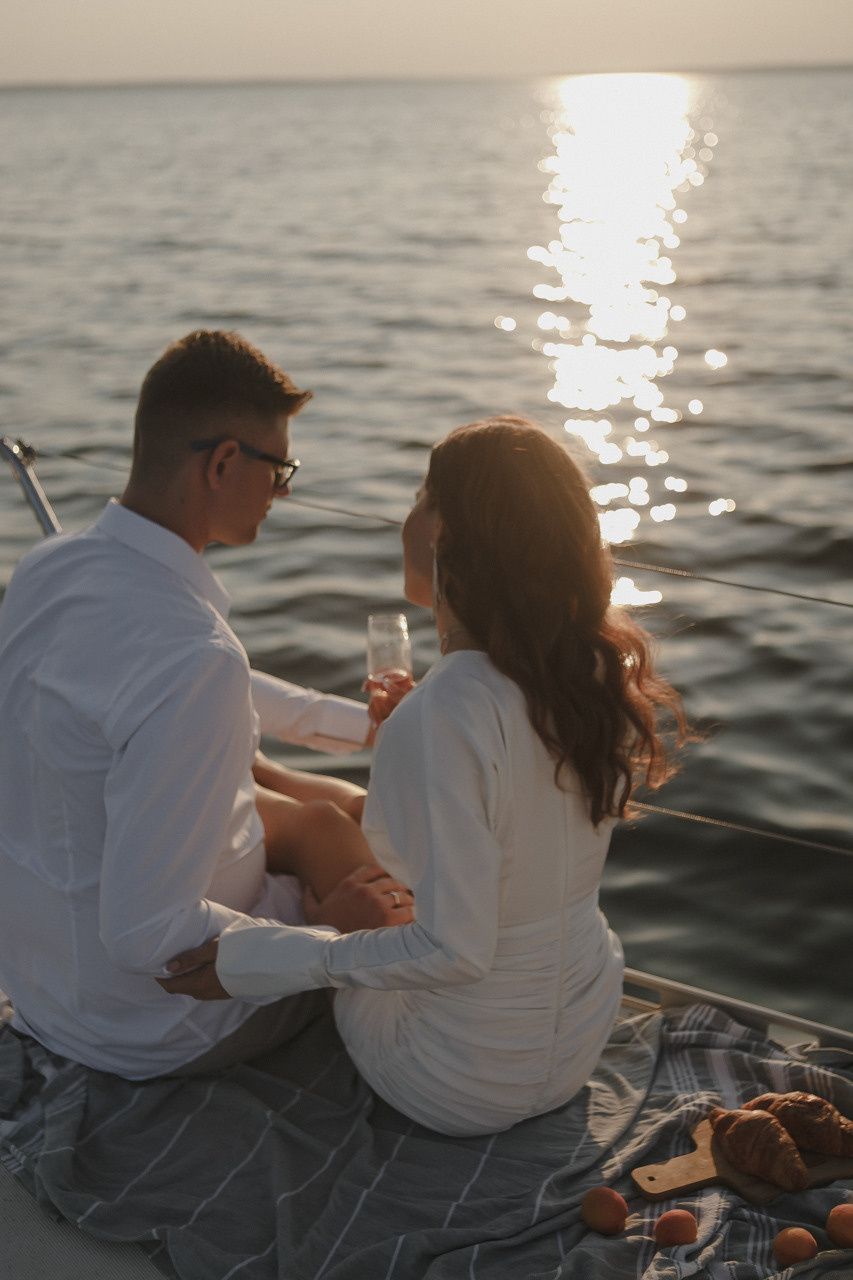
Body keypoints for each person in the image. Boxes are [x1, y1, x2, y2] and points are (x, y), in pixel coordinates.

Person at [161, 416, 689, 1136]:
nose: (406, 516)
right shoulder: (584, 675)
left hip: (453, 1079)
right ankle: (256, 769)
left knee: (336, 883)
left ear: (445, 536)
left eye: (420, 495)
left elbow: (454, 951)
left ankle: (256, 787)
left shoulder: (446, 713)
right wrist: (419, 729)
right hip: (576, 1039)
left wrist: (264, 957)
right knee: (354, 834)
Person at [0, 329, 413, 1081]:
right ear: (225, 462)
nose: (283, 491)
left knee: (338, 819)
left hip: (43, 984)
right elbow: (148, 937)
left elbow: (183, 684)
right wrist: (330, 940)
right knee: (376, 882)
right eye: (279, 468)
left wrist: (362, 726)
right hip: (153, 1023)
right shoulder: (194, 657)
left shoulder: (50, 570)